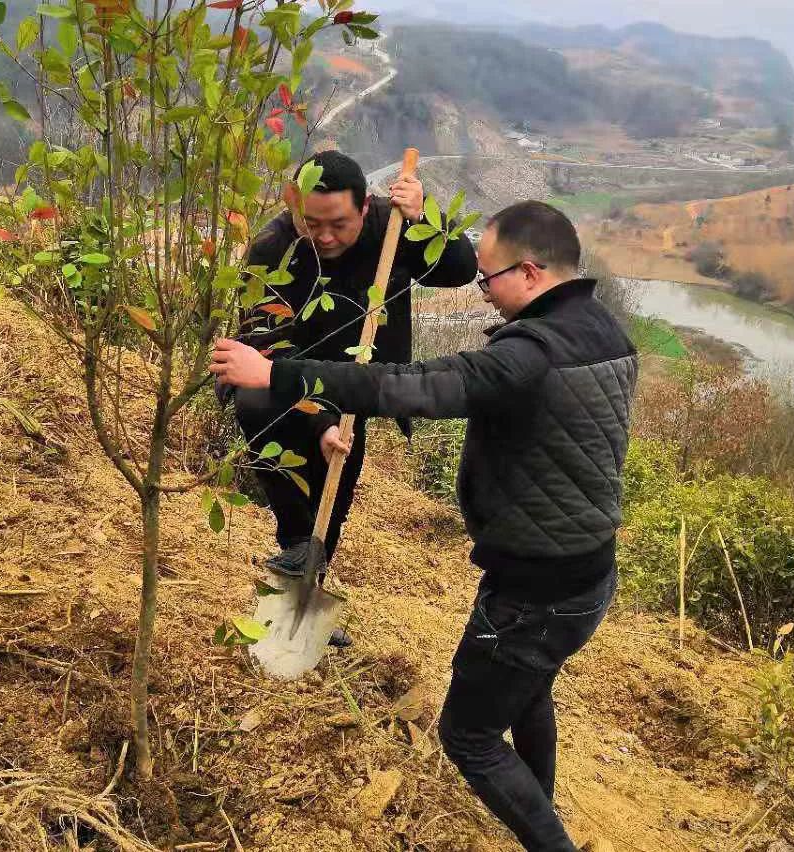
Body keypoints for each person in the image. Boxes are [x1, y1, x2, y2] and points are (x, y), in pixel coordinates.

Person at [210, 200, 637, 852]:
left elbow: (417, 386)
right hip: (587, 572)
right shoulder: (601, 328)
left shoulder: (529, 354)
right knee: (526, 690)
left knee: (468, 735)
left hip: (533, 591)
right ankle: (536, 806)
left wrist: (275, 374)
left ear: (528, 272)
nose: (483, 291)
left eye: (488, 279)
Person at [223, 150, 476, 594]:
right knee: (256, 403)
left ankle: (309, 579)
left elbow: (460, 270)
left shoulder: (392, 226)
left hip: (357, 382)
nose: (324, 236)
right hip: (284, 383)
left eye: (338, 224)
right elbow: (264, 350)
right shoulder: (272, 249)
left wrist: (426, 216)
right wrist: (319, 420)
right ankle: (298, 546)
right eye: (311, 222)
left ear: (364, 206)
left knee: (335, 485)